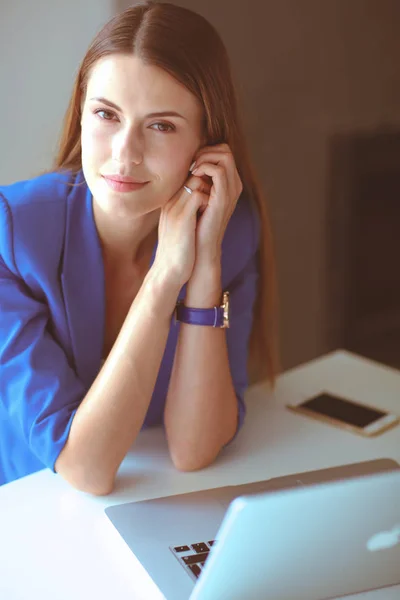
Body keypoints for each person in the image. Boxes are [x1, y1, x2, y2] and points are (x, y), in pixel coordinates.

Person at [0, 1, 279, 494]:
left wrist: (204, 263)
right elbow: (86, 469)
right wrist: (164, 278)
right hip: (28, 511)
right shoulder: (14, 233)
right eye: (107, 114)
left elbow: (194, 449)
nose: (124, 154)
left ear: (206, 146)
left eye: (162, 125)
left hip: (148, 503)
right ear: (82, 116)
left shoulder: (229, 233)